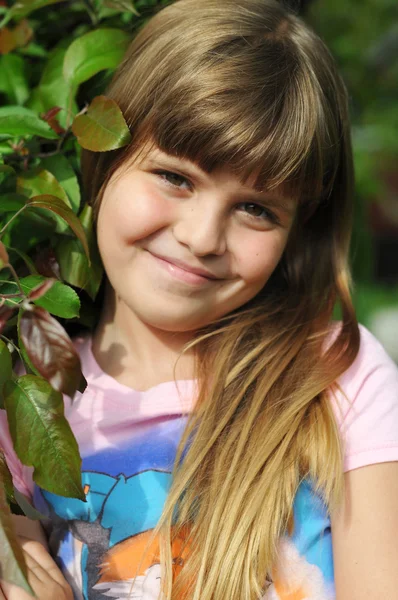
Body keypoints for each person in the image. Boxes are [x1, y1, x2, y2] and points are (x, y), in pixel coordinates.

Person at [1, 0, 398, 598]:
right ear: (104, 159)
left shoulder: (336, 374)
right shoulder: (26, 406)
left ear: (296, 231)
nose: (201, 237)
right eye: (175, 177)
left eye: (256, 209)